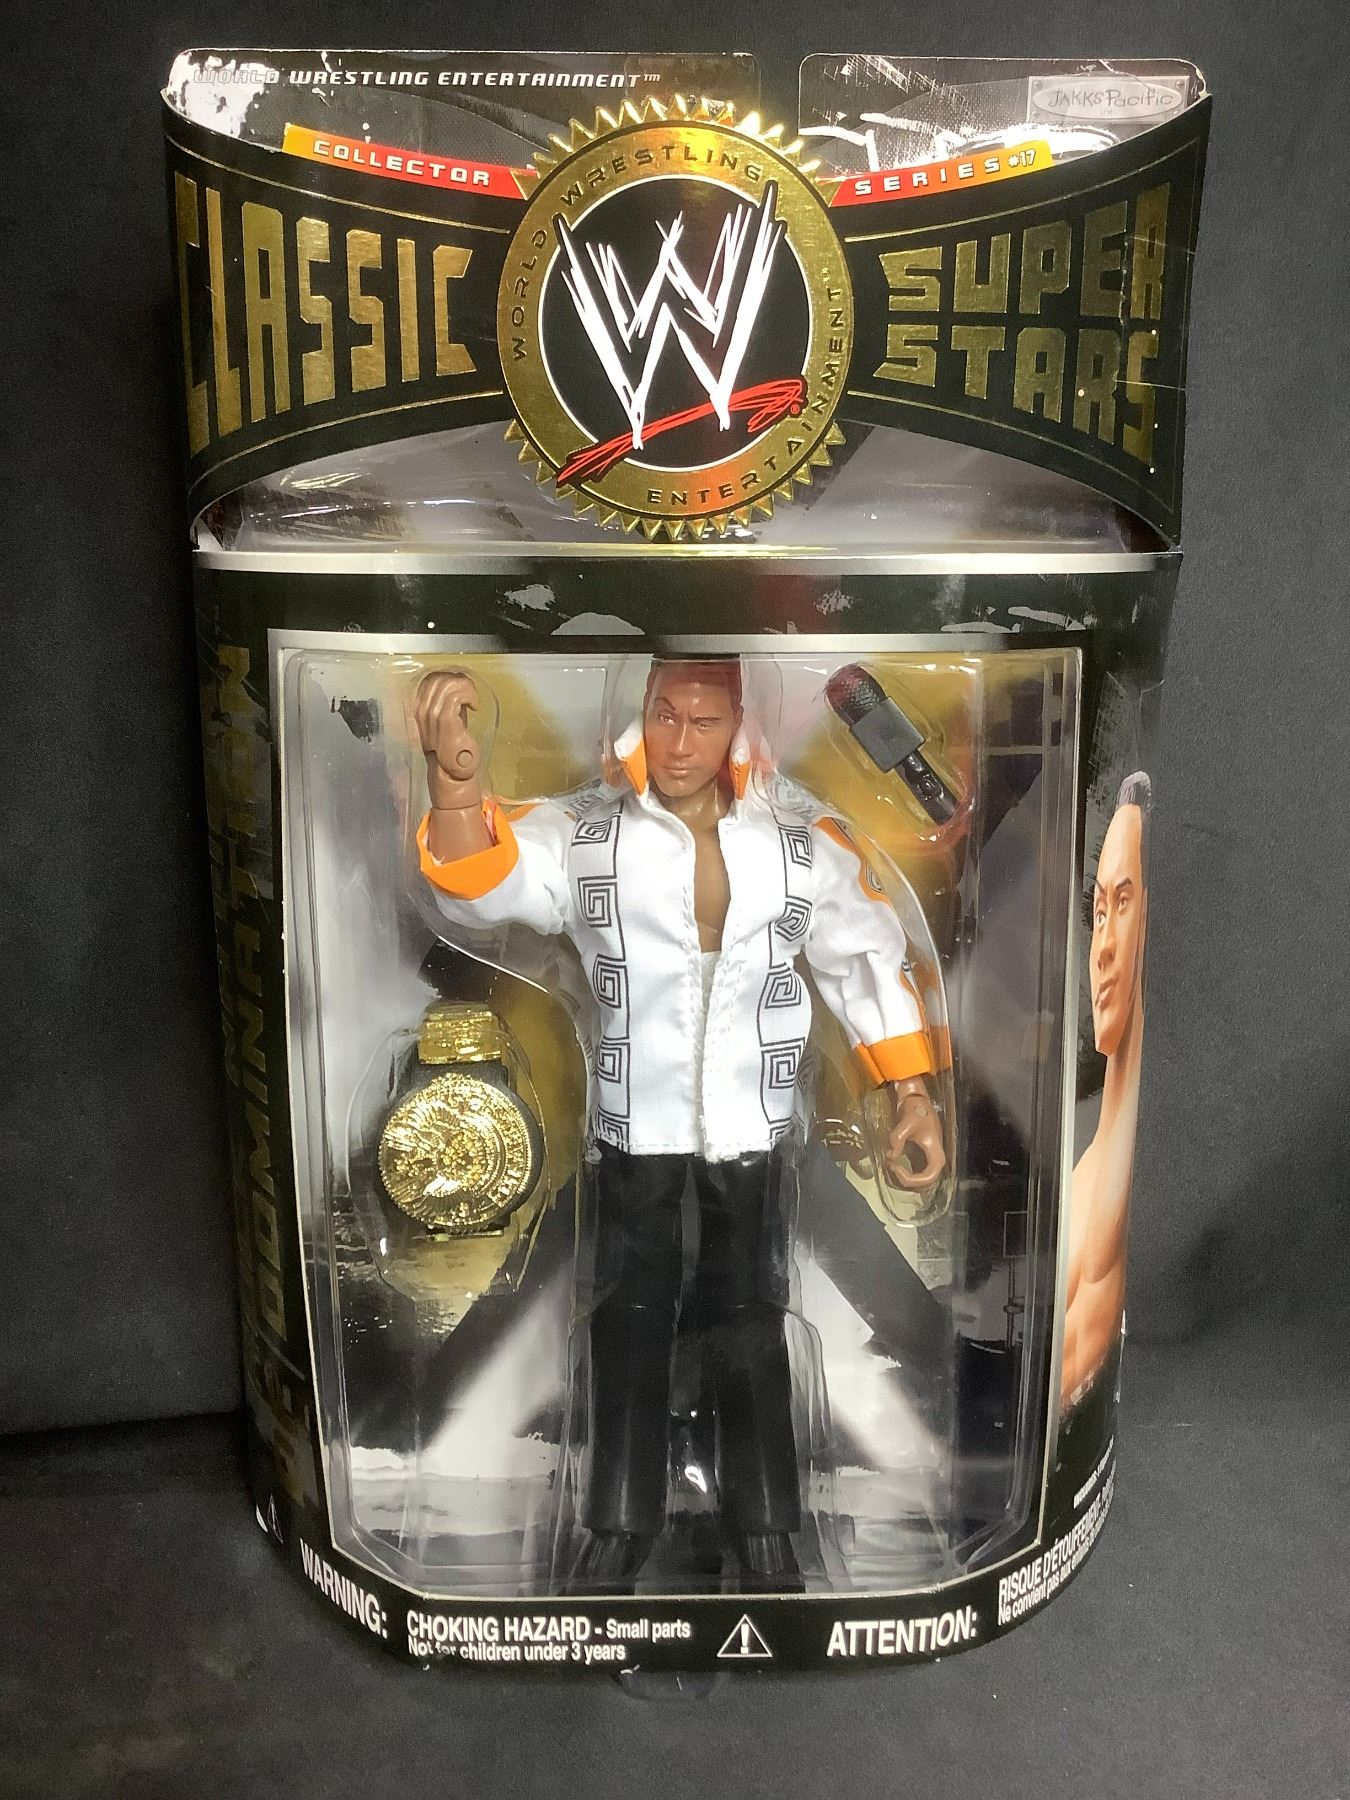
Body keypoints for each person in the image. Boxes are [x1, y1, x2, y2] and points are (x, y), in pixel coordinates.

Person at [413, 657, 946, 1593]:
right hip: (636, 1120)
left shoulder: (800, 844)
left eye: (704, 721)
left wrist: (910, 1092)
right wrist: (456, 788)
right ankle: (617, 1523)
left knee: (752, 1315)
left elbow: (866, 957)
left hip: (754, 1121)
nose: (681, 741)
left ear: (739, 725)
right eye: (665, 715)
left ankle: (767, 1524)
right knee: (628, 1316)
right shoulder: (591, 837)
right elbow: (486, 883)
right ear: (642, 715)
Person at [1060, 772, 1151, 1412]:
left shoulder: (1141, 1178)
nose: (1103, 951)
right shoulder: (1087, 1175)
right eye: (1097, 912)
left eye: (1123, 903)